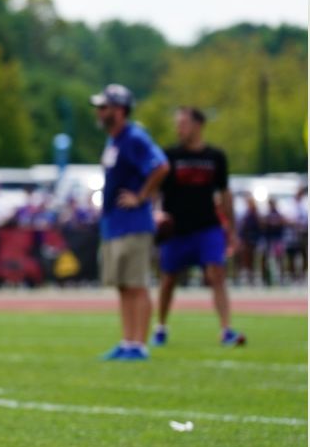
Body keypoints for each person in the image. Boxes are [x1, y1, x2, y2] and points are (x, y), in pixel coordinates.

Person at [151, 107, 246, 348]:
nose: (178, 128)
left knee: (217, 274)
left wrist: (232, 230)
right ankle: (160, 326)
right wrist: (156, 213)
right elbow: (155, 189)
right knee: (169, 279)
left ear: (198, 125)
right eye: (177, 123)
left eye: (183, 123)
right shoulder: (169, 156)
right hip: (177, 228)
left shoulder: (215, 157)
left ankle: (226, 329)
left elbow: (224, 193)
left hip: (207, 226)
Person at [93, 83, 170, 361]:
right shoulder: (114, 140)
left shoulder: (134, 137)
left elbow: (160, 165)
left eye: (104, 107)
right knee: (123, 285)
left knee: (136, 284)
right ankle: (127, 342)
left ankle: (139, 344)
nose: (99, 112)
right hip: (115, 223)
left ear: (120, 110)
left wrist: (141, 196)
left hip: (134, 223)